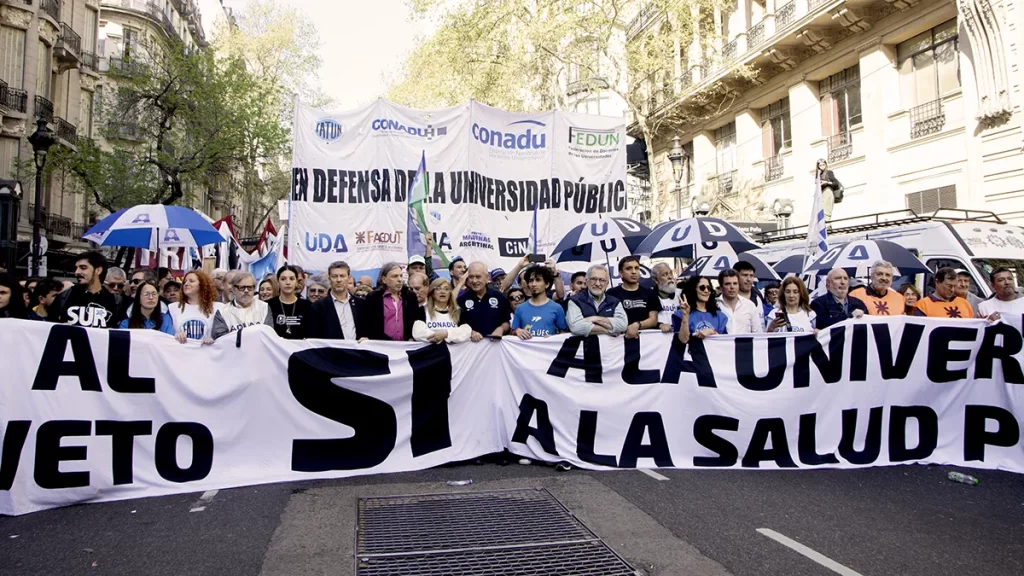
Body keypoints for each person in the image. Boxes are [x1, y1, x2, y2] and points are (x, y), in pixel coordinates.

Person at [54, 251, 124, 328]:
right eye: (76, 268)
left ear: (98, 270)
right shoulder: (64, 297)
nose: (77, 272)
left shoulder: (115, 301)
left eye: (83, 268)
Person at [361, 262, 424, 341]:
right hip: (381, 344)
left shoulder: (410, 296)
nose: (399, 280)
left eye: (401, 276)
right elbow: (368, 323)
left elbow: (415, 321)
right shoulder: (373, 297)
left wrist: (411, 337)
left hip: (406, 344)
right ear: (384, 279)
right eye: (395, 276)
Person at [305, 260, 363, 340]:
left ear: (349, 278)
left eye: (342, 276)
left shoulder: (361, 304)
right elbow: (314, 337)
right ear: (329, 279)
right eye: (335, 276)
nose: (338, 280)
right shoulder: (318, 306)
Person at [607, 256, 663, 338]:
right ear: (621, 273)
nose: (633, 272)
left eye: (636, 268)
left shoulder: (650, 293)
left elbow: (653, 320)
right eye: (628, 268)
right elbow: (608, 318)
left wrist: (637, 325)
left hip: (646, 340)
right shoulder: (611, 293)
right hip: (618, 340)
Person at [567, 265, 628, 337]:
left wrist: (595, 319)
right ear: (587, 281)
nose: (597, 284)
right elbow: (576, 327)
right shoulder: (575, 301)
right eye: (593, 279)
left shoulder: (614, 302)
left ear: (607, 283)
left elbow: (623, 325)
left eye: (602, 280)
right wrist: (608, 331)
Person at [458, 262, 511, 341]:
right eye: (471, 277)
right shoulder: (461, 300)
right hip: (471, 346)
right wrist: (470, 332)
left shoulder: (499, 296)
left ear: (487, 278)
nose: (474, 281)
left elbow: (506, 322)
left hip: (496, 345)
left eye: (478, 277)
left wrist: (501, 329)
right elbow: (459, 325)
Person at [511, 265, 567, 339]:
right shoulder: (520, 308)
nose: (534, 284)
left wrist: (554, 338)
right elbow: (513, 332)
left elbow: (564, 333)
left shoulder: (557, 308)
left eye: (538, 280)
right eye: (531, 281)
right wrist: (517, 331)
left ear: (547, 284)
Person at [169, 271, 223, 344]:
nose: (186, 284)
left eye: (191, 281)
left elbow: (224, 334)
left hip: (207, 350)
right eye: (185, 282)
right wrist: (175, 335)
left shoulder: (218, 307)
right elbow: (166, 334)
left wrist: (214, 339)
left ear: (202, 284)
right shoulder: (173, 308)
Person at [212, 272, 272, 337]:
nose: (246, 291)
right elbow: (220, 338)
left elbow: (268, 335)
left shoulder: (264, 308)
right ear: (233, 289)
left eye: (249, 287)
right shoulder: (222, 312)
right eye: (242, 287)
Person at [413, 278, 473, 343]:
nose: (442, 292)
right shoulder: (423, 310)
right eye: (438, 289)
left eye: (446, 289)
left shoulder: (458, 311)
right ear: (432, 293)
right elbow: (418, 332)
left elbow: (466, 331)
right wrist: (438, 336)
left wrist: (446, 334)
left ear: (450, 293)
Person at [674, 276, 728, 343]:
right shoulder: (680, 314)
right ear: (693, 289)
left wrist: (712, 332)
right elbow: (683, 340)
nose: (706, 291)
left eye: (708, 288)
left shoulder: (719, 316)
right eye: (702, 287)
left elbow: (725, 342)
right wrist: (685, 316)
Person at [267, 265, 313, 339]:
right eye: (283, 279)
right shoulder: (268, 305)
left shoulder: (307, 305)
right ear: (278, 282)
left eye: (292, 279)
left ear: (296, 282)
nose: (288, 282)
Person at [716, 269, 763, 334]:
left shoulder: (749, 305)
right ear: (721, 287)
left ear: (738, 285)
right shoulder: (714, 305)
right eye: (727, 284)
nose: (732, 287)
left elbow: (758, 334)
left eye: (735, 283)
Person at [732, 260, 768, 326]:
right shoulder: (729, 299)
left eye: (751, 275)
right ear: (735, 277)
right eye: (745, 275)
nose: (749, 279)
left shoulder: (758, 295)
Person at [652, 262, 678, 332]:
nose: (670, 277)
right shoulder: (649, 296)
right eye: (665, 274)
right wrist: (659, 325)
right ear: (656, 280)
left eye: (671, 273)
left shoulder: (681, 294)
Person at [816, 158, 843, 223]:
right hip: (822, 194)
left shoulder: (829, 172)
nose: (822, 166)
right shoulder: (819, 175)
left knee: (826, 212)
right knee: (821, 212)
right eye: (820, 165)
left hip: (828, 192)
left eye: (823, 165)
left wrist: (826, 182)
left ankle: (828, 225)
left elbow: (836, 183)